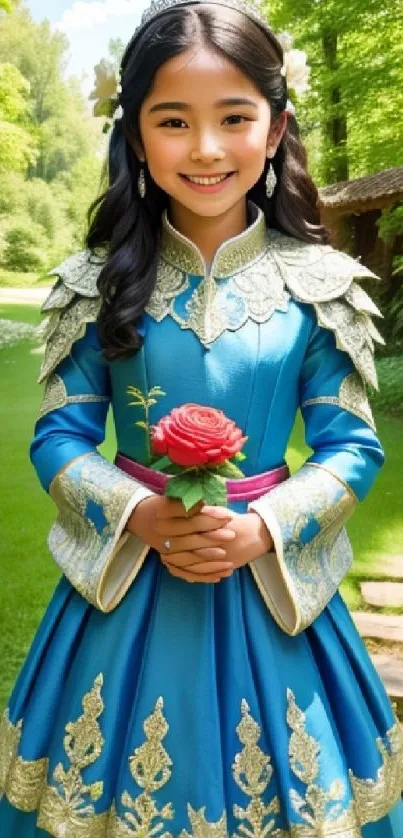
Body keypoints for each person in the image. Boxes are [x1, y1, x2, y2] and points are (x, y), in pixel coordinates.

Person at [1, 0, 402, 835]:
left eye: (234, 118)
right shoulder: (96, 284)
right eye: (173, 120)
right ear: (137, 137)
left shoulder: (319, 284)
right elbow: (60, 435)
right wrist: (140, 512)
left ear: (275, 126)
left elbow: (350, 445)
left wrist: (263, 529)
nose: (208, 148)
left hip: (271, 582)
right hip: (130, 577)